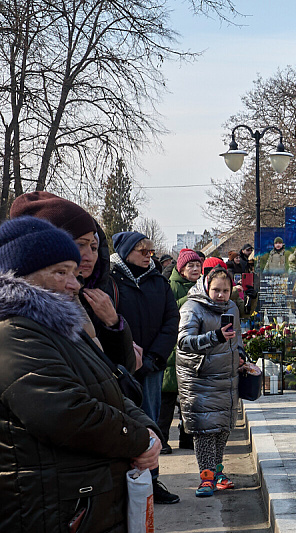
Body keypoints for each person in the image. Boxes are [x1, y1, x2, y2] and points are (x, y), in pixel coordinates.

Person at [0, 217, 161, 532]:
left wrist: (149, 433)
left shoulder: (59, 328)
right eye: (61, 273)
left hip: (87, 502)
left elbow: (112, 385)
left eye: (74, 273)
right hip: (55, 510)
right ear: (18, 277)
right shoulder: (14, 334)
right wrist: (139, 440)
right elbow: (65, 413)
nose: (74, 284)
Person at [8, 191, 138, 371]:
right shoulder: (21, 315)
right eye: (79, 244)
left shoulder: (97, 292)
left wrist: (114, 325)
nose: (89, 256)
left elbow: (124, 370)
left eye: (93, 247)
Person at [108, 230, 181, 504]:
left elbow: (170, 320)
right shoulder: (111, 281)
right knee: (121, 423)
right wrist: (124, 357)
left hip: (152, 367)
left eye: (151, 252)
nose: (149, 256)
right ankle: (124, 484)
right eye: (143, 251)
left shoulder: (158, 282)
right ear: (127, 251)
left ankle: (151, 481)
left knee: (149, 423)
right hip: (118, 367)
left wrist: (155, 358)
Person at [176, 266, 244, 497]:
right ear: (206, 286)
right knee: (205, 430)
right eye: (216, 290)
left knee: (221, 428)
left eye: (226, 290)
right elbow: (184, 342)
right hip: (200, 377)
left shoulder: (232, 307)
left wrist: (242, 357)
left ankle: (216, 472)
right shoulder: (192, 307)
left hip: (226, 377)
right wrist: (214, 337)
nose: (221, 295)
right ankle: (206, 477)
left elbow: (238, 338)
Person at [159, 248, 204, 454]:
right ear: (181, 268)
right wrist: (190, 298)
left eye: (197, 265)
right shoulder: (170, 285)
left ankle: (187, 439)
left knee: (189, 400)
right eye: (190, 266)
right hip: (173, 351)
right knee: (166, 401)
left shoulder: (203, 285)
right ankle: (162, 440)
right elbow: (169, 310)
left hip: (194, 349)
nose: (195, 269)